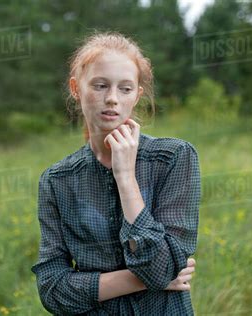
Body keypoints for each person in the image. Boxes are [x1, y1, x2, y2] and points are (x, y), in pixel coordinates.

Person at [31, 31, 201, 315]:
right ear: (76, 88)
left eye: (125, 88)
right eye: (100, 85)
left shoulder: (174, 158)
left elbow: (160, 268)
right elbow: (52, 290)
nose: (112, 98)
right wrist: (142, 280)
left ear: (137, 95)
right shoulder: (57, 180)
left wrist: (125, 177)